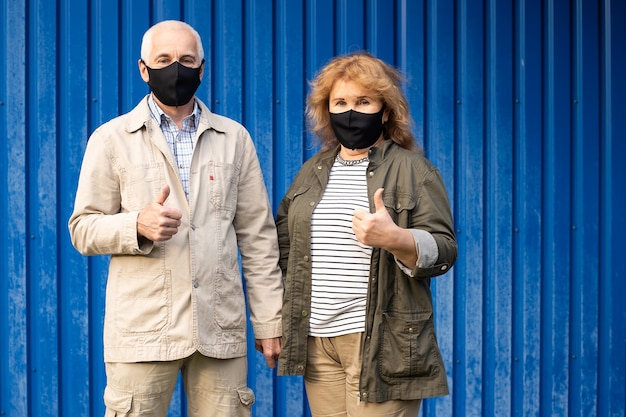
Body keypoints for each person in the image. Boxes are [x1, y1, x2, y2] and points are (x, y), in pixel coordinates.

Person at [68, 20, 282, 417]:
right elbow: (82, 228)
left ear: (202, 69)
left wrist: (269, 320)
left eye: (186, 59)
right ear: (143, 70)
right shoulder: (111, 139)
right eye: (163, 59)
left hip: (218, 327)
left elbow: (258, 237)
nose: (176, 69)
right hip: (143, 332)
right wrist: (136, 226)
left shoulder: (234, 139)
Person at [276, 52, 457, 416]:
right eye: (340, 103)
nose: (350, 112)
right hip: (319, 342)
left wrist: (396, 239)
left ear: (385, 110)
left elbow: (445, 250)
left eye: (363, 102)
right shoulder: (311, 173)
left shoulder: (414, 171)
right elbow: (284, 249)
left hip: (381, 342)